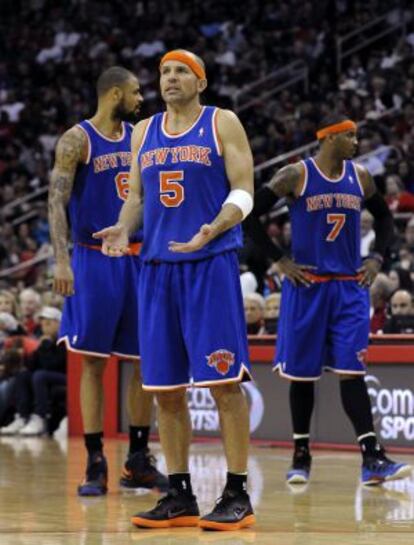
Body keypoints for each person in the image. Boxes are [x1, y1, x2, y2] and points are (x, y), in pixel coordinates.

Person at [94, 50, 255, 530]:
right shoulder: (143, 132)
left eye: (181, 71)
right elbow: (136, 197)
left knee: (223, 383)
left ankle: (237, 491)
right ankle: (180, 494)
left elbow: (244, 190)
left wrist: (215, 226)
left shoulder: (222, 122)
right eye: (164, 72)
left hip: (209, 263)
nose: (169, 78)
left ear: (200, 81)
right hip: (157, 268)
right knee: (164, 389)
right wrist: (124, 228)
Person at [245, 114, 410, 486]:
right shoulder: (294, 175)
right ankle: (300, 455)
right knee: (302, 375)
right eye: (350, 136)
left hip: (348, 287)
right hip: (307, 286)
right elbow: (250, 217)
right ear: (329, 137)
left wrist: (377, 258)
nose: (356, 143)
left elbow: (384, 220)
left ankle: (372, 457)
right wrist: (279, 260)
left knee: (353, 371)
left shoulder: (361, 177)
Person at [48, 66, 167, 496]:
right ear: (114, 93)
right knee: (94, 362)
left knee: (144, 361)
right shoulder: (76, 140)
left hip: (137, 257)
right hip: (93, 259)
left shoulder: (139, 136)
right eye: (135, 92)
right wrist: (62, 262)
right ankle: (95, 460)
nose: (141, 98)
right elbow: (56, 202)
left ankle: (137, 459)